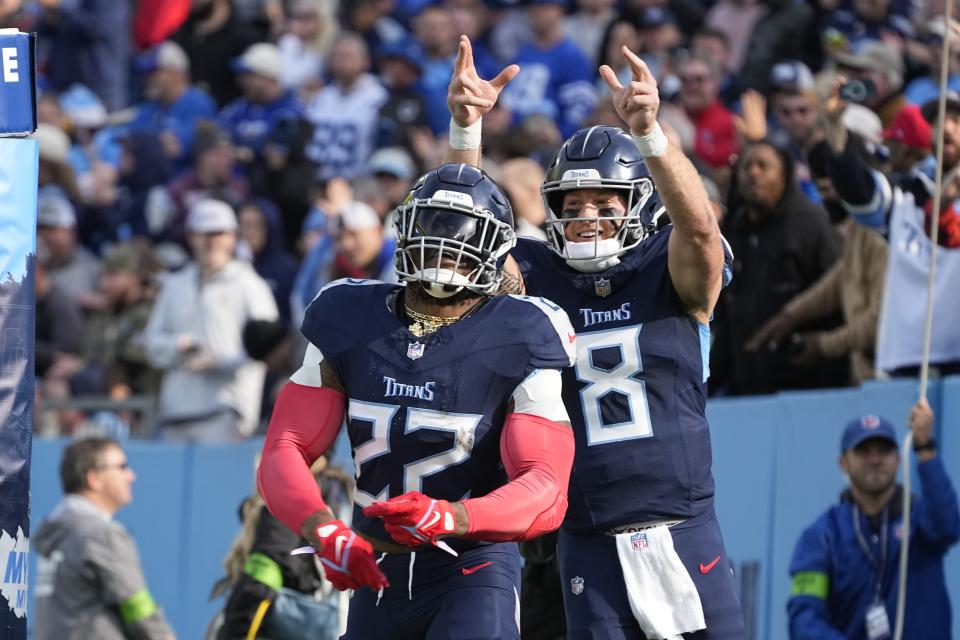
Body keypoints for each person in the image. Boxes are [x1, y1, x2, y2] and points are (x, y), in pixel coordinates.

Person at [443, 36, 745, 639]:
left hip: (682, 521)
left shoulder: (670, 267)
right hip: (586, 536)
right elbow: (465, 253)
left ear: (637, 204)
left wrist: (651, 133)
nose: (585, 216)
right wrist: (466, 133)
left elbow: (702, 234)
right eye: (571, 202)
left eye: (602, 202)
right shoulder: (539, 274)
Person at [257, 163, 578, 639]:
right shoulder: (348, 315)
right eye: (433, 229)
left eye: (460, 236)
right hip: (377, 562)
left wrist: (454, 516)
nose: (445, 248)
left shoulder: (520, 332)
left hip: (471, 564)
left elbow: (547, 488)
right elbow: (284, 448)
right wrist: (322, 528)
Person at [787, 400, 960, 639]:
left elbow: (948, 528)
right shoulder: (822, 537)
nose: (875, 459)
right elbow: (804, 618)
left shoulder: (919, 517)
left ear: (899, 459)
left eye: (883, 450)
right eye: (863, 451)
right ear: (843, 463)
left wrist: (925, 449)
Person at [144, 199, 279, 442]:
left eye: (219, 233)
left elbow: (270, 347)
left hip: (227, 411)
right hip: (177, 411)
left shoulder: (250, 285)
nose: (211, 240)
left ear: (233, 237)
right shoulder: (175, 285)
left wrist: (220, 361)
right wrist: (178, 346)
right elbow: (151, 344)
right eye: (203, 233)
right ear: (191, 237)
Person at [34, 437, 175, 640]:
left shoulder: (59, 531)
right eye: (122, 467)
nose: (131, 476)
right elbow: (137, 605)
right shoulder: (101, 534)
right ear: (94, 478)